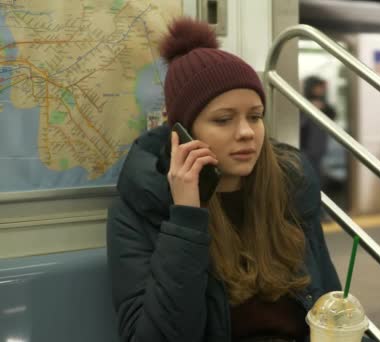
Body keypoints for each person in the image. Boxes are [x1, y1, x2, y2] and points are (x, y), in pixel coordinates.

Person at [106, 18, 342, 342]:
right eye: (223, 119)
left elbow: (328, 304)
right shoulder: (144, 205)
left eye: (255, 117)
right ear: (183, 134)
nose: (246, 133)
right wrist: (187, 218)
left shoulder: (291, 186)